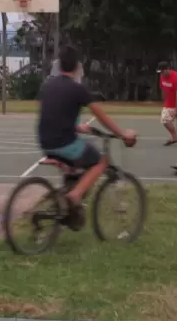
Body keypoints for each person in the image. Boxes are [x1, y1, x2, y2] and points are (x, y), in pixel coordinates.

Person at [37, 45, 137, 221]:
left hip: (45, 142)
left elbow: (53, 112)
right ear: (76, 67)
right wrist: (122, 133)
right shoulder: (77, 89)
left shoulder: (47, 86)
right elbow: (101, 116)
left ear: (59, 66)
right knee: (100, 161)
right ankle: (74, 196)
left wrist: (75, 126)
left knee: (75, 168)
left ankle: (66, 205)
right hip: (64, 144)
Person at [157, 61, 177, 146]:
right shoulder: (162, 76)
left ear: (167, 69)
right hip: (169, 102)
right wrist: (164, 100)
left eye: (162, 71)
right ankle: (175, 137)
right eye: (160, 72)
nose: (161, 74)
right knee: (165, 120)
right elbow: (163, 88)